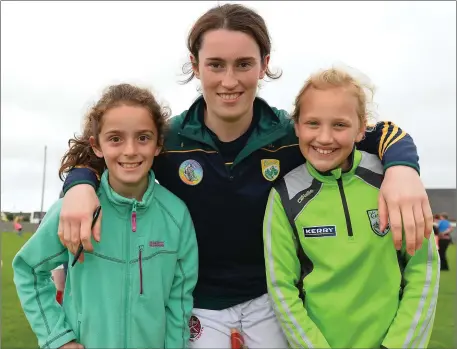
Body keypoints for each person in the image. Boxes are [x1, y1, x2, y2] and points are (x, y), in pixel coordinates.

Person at [55, 4, 433, 348]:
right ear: (195, 63)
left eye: (244, 64)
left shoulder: (294, 133)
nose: (230, 80)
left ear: (265, 63)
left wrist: (403, 169)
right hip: (195, 304)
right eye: (216, 64)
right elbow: (104, 154)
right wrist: (78, 186)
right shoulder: (167, 140)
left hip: (274, 301)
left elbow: (376, 131)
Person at [263, 67, 440, 348]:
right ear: (296, 126)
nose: (324, 137)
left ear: (361, 129)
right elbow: (281, 287)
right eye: (312, 123)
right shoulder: (285, 195)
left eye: (339, 125)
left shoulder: (393, 182)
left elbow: (423, 270)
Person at [12, 84, 199, 349]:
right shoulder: (74, 208)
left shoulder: (177, 215)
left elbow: (179, 305)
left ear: (158, 144)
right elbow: (28, 270)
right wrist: (57, 339)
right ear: (96, 145)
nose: (130, 150)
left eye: (143, 137)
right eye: (115, 139)